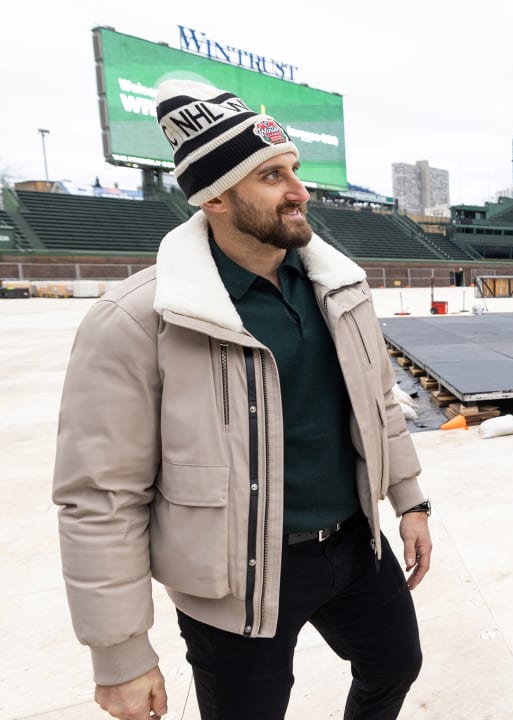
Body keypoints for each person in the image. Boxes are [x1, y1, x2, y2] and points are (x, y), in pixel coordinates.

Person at [52, 80, 433, 720]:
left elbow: (379, 406)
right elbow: (99, 495)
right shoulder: (137, 319)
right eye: (270, 177)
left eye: (294, 170)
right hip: (237, 576)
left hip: (352, 545)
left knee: (396, 665)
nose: (298, 191)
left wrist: (410, 500)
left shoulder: (339, 288)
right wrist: (120, 654)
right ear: (216, 199)